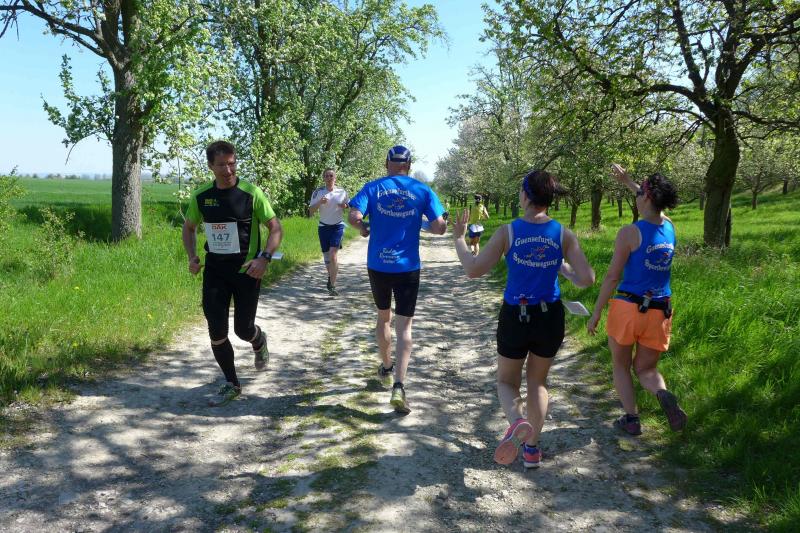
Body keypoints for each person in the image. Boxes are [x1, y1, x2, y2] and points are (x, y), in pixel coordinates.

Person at [453, 169, 594, 468]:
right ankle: (531, 450)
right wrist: (561, 267)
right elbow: (587, 279)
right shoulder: (563, 234)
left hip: (516, 315)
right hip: (549, 315)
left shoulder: (508, 232)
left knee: (506, 382)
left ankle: (517, 422)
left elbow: (473, 269)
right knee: (538, 383)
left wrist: (459, 239)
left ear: (526, 195)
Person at [587, 164, 686, 435]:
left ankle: (632, 419)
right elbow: (654, 205)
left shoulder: (630, 233)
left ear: (648, 197)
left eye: (640, 192)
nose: (636, 196)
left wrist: (596, 312)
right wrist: (629, 182)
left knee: (620, 365)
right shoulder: (670, 226)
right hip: (660, 311)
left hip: (628, 309)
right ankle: (662, 393)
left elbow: (612, 277)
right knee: (646, 369)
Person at [182, 141, 283, 406]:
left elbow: (275, 228)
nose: (228, 170)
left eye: (232, 163)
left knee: (243, 329)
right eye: (221, 165)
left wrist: (264, 258)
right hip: (215, 272)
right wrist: (192, 256)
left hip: (247, 272)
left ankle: (258, 340)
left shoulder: (251, 193)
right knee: (216, 329)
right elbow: (189, 228)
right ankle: (231, 383)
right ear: (210, 166)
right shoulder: (201, 196)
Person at [348, 145, 447, 414]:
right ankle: (399, 386)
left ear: (387, 164)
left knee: (383, 317)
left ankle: (386, 366)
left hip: (378, 265)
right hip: (408, 267)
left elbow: (354, 215)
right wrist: (425, 224)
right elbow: (439, 227)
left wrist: (363, 227)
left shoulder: (373, 187)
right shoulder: (422, 190)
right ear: (409, 165)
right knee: (404, 327)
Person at [309, 168, 349, 296]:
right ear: (323, 178)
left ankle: (332, 285)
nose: (329, 178)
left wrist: (345, 206)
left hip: (338, 226)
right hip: (323, 227)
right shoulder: (318, 192)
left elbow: (349, 206)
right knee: (327, 257)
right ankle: (330, 277)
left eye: (331, 175)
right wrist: (320, 202)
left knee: (333, 255)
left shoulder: (342, 192)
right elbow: (310, 211)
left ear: (335, 178)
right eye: (326, 176)